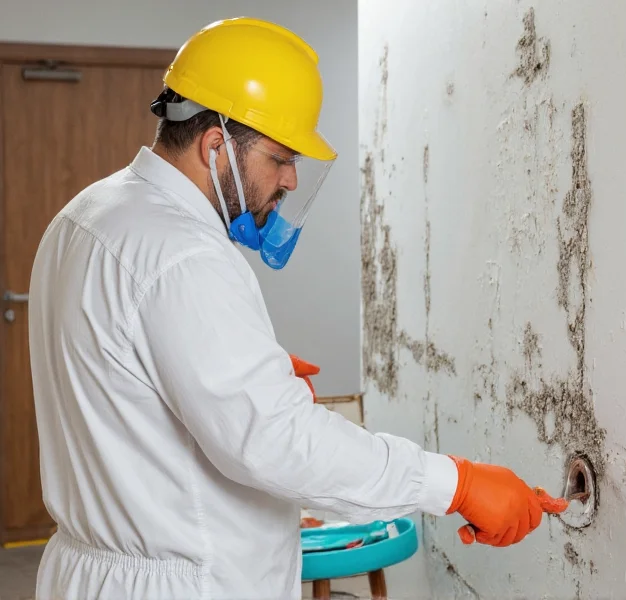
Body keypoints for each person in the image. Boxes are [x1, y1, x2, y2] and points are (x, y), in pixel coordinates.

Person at [28, 17, 565, 600]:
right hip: (185, 583)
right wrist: (454, 484)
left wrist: (251, 369)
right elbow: (275, 440)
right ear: (216, 146)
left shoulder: (91, 214)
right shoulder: (183, 254)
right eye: (280, 157)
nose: (290, 178)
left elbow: (124, 367)